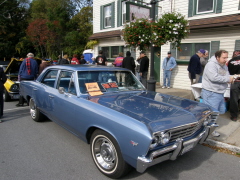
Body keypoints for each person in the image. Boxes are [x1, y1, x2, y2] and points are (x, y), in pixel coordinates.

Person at [201, 50, 234, 136]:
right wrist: (227, 79)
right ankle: (207, 131)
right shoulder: (211, 65)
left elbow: (227, 75)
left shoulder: (223, 65)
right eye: (224, 57)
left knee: (217, 112)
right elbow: (214, 78)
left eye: (227, 57)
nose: (226, 59)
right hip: (211, 92)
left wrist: (232, 78)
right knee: (210, 113)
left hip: (219, 92)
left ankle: (210, 129)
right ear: (217, 57)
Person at [227, 50, 240, 121]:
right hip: (235, 81)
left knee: (234, 99)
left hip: (234, 81)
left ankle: (234, 116)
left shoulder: (230, 61)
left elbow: (227, 71)